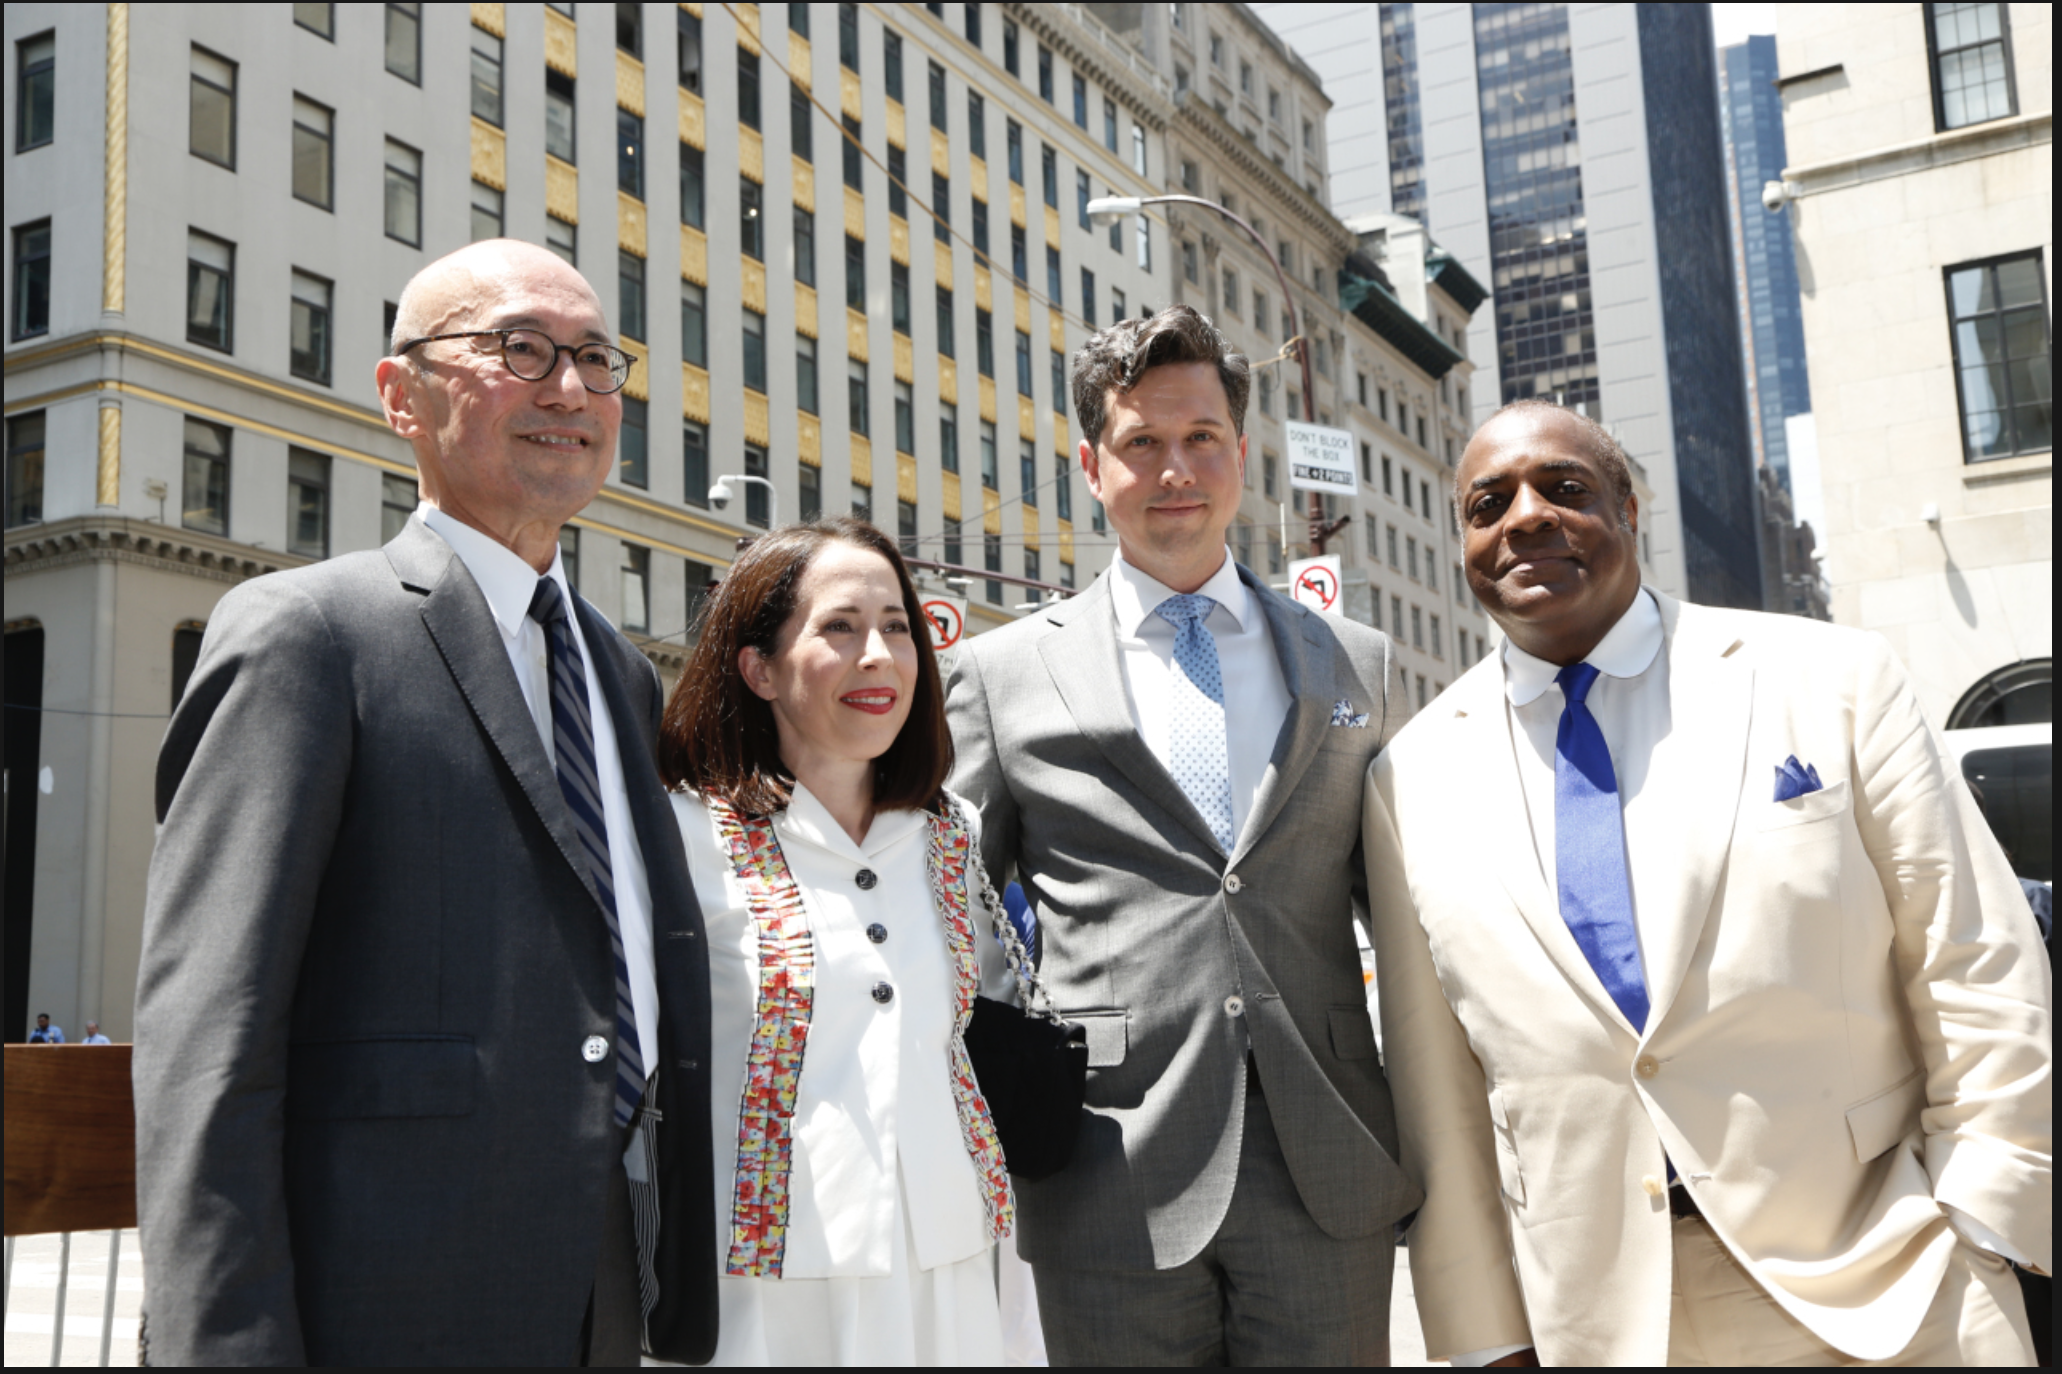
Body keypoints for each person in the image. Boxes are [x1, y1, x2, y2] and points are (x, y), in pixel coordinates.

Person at [1364, 400, 2052, 1366]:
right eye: (1488, 504)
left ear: (1629, 511)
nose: (1523, 518)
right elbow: (1439, 1098)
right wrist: (1485, 1338)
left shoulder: (1834, 677)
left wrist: (1990, 1217)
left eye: (1564, 489)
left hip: (1890, 1286)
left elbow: (1973, 959)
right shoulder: (1409, 776)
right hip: (1598, 1326)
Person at [132, 240, 717, 1365]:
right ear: (403, 395)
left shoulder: (621, 669)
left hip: (607, 1283)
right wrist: (224, 1340)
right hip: (382, 1301)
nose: (571, 389)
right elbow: (208, 1040)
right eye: (521, 349)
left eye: (598, 359)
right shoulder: (310, 634)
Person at [945, 306, 1420, 1365]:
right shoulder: (1001, 673)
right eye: (1141, 443)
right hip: (1105, 1161)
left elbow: (1408, 911)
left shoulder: (1356, 664)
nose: (1176, 470)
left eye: (1201, 438)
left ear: (1240, 454)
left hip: (1326, 1157)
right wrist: (1032, 1057)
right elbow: (951, 899)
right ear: (1089, 463)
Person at [657, 517, 1011, 1365]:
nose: (880, 656)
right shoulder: (680, 832)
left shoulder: (953, 835)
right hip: (757, 1279)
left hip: (944, 1269)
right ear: (760, 668)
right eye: (839, 628)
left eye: (897, 626)